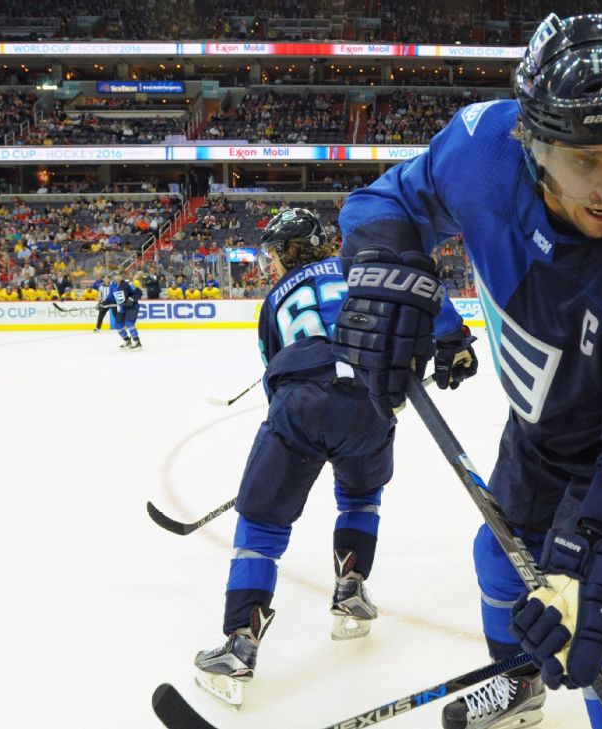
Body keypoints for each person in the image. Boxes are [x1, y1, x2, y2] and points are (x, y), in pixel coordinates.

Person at [333, 8, 602, 728]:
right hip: (541, 432)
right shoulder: (482, 148)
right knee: (500, 564)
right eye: (583, 160)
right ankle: (519, 684)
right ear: (532, 141)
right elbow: (388, 200)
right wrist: (382, 264)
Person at [192, 208, 476, 709]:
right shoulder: (359, 265)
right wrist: (454, 343)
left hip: (300, 404)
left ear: (286, 251)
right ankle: (351, 591)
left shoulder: (273, 300)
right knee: (362, 497)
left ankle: (240, 643)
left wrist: (290, 433)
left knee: (262, 523)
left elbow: (272, 377)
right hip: (370, 402)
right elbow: (421, 294)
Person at [98, 270, 142, 349]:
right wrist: (102, 304)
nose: (118, 277)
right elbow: (110, 298)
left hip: (132, 307)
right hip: (123, 308)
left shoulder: (128, 284)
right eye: (116, 276)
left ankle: (137, 342)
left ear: (121, 276)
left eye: (119, 275)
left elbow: (139, 293)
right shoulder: (112, 286)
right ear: (113, 277)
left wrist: (131, 299)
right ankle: (127, 341)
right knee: (117, 325)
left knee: (129, 323)